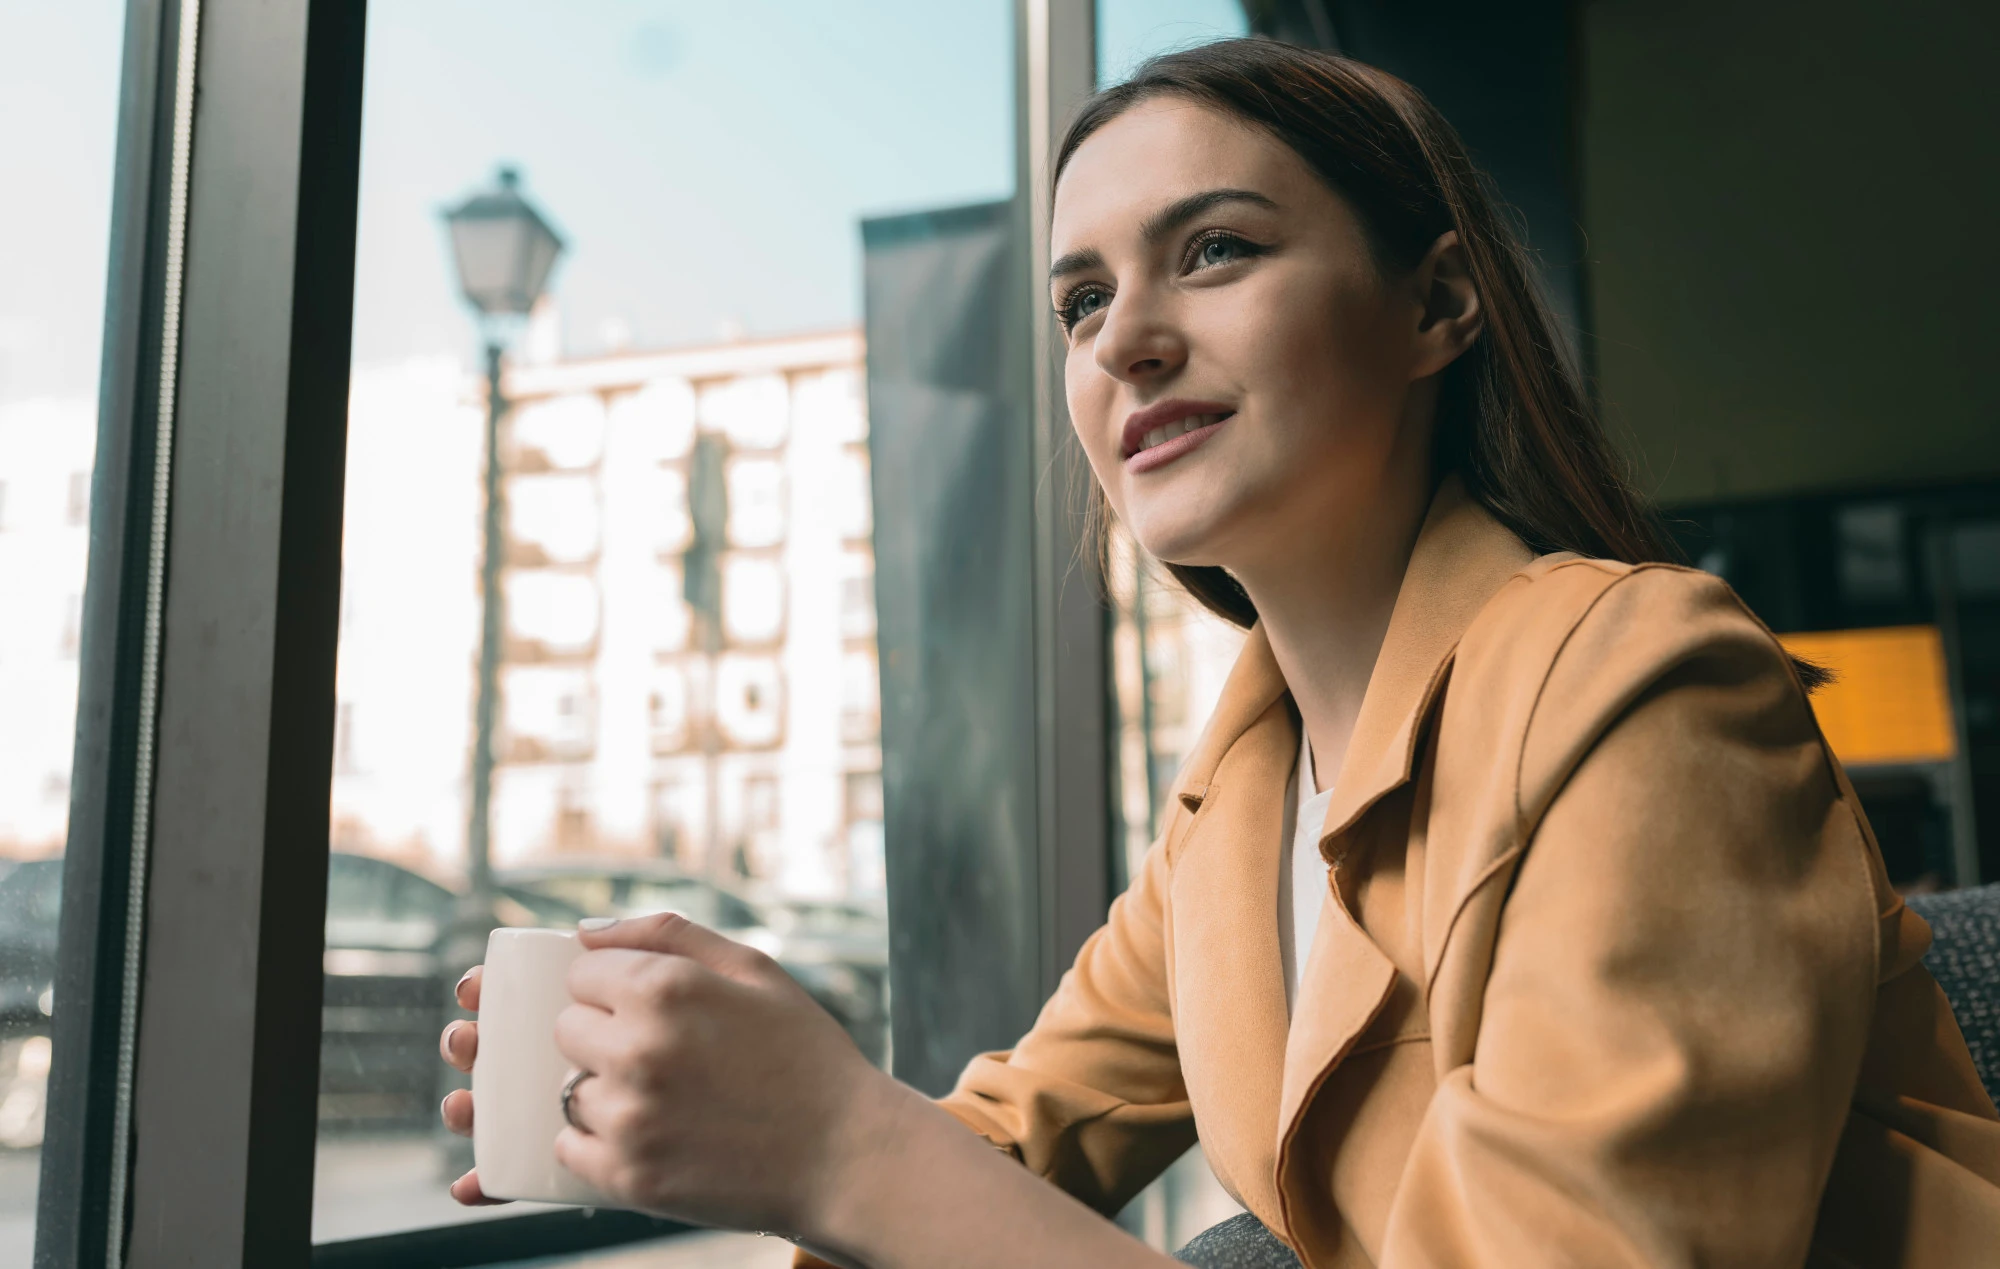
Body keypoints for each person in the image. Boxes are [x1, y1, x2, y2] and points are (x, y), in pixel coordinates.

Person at [436, 39, 2000, 1268]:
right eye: (1081, 299)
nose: (1123, 339)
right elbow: (1005, 1144)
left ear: (1438, 303)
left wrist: (842, 1142)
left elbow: (896, 1167)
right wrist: (715, 1094)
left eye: (1218, 251)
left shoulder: (1650, 689)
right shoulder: (1237, 806)